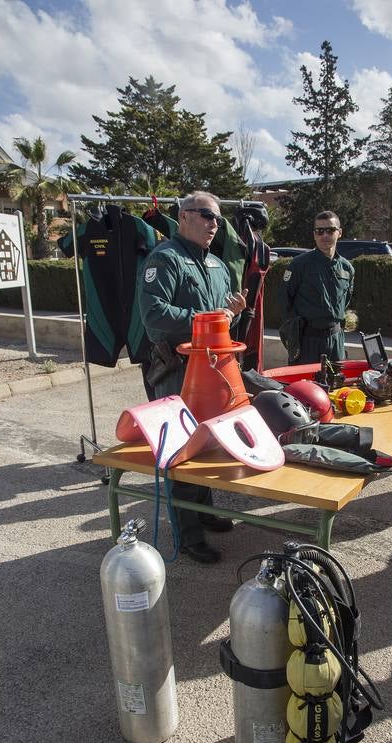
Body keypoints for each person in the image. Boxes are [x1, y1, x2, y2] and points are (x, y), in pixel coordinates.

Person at [139, 191, 246, 563]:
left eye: (217, 218)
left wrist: (230, 313)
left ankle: (204, 513)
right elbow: (153, 316)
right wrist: (206, 319)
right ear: (183, 216)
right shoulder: (165, 259)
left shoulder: (216, 265)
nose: (214, 224)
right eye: (206, 215)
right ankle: (187, 535)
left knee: (208, 445)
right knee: (182, 453)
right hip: (178, 372)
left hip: (213, 369)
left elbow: (221, 319)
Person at [277, 210, 354, 364]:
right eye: (319, 231)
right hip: (307, 341)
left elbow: (345, 301)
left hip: (335, 339)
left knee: (335, 386)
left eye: (330, 230)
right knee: (305, 385)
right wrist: (294, 333)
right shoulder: (300, 264)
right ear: (314, 234)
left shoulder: (347, 268)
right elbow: (284, 300)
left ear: (339, 233)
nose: (324, 235)